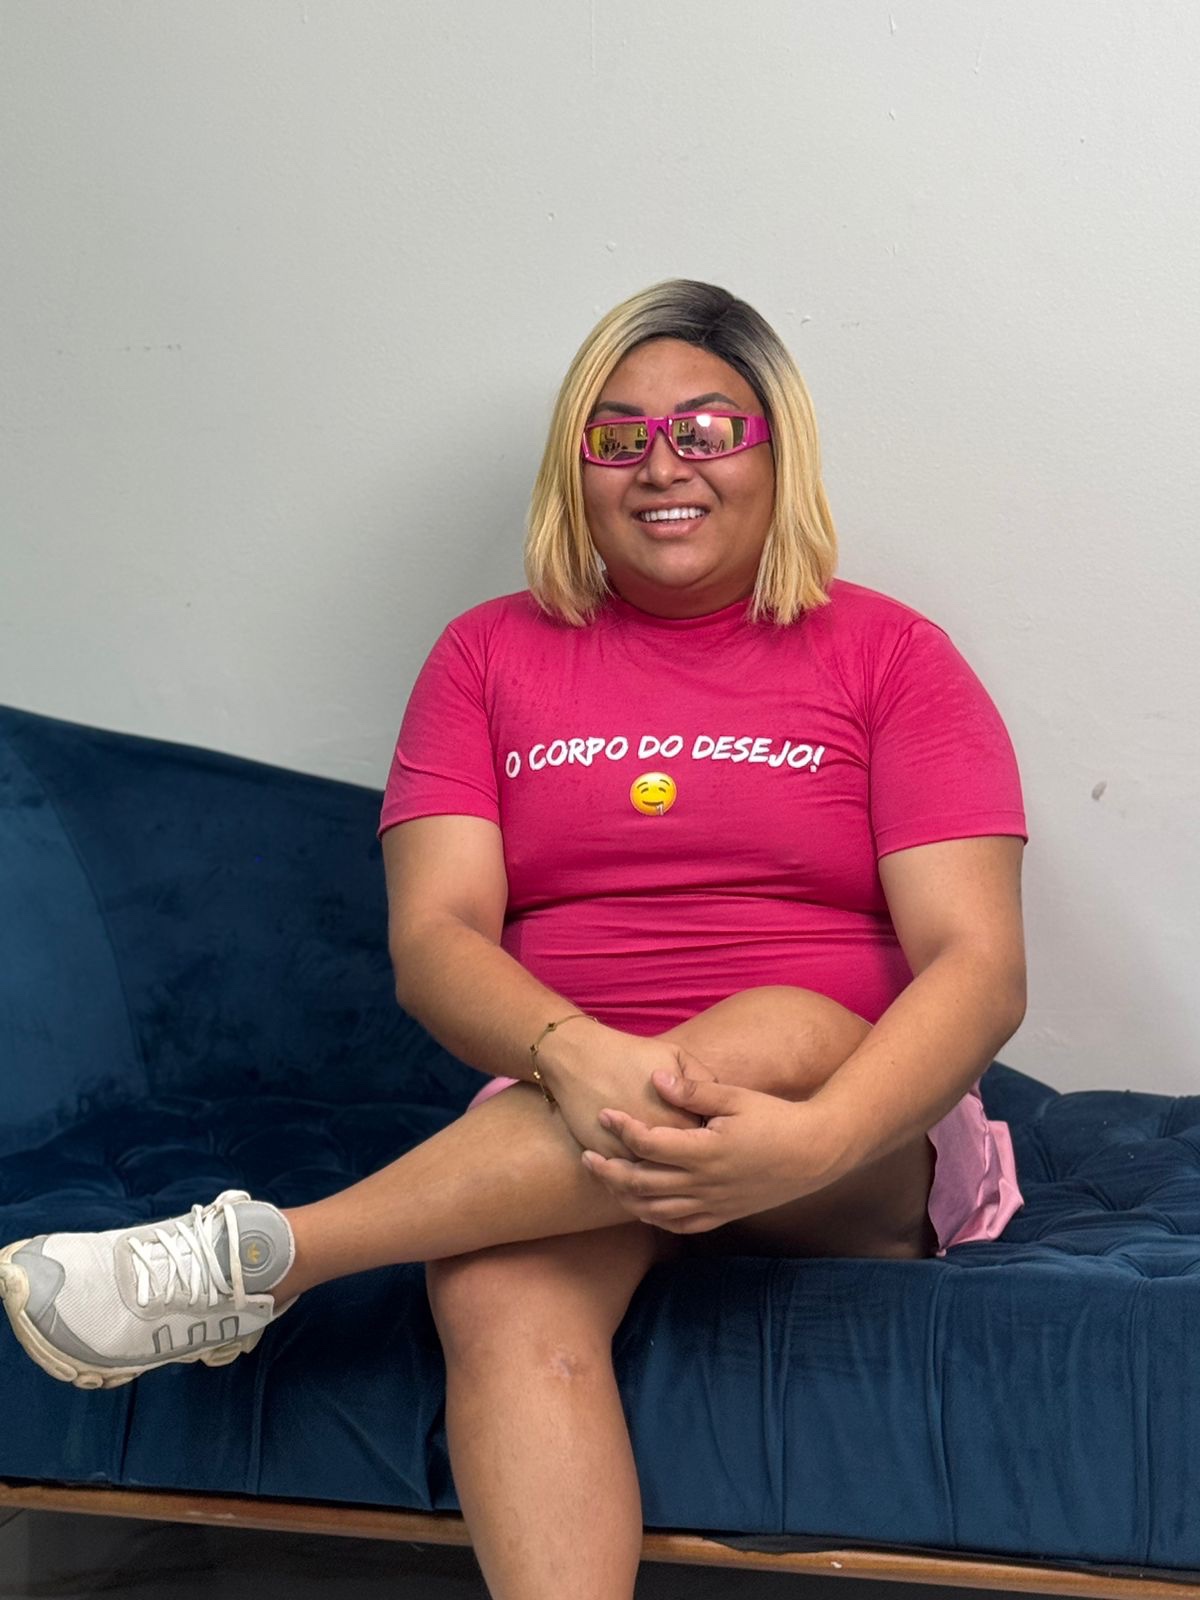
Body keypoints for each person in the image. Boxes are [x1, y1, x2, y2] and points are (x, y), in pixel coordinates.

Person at [0, 279, 1029, 1600]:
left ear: (777, 450)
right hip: (567, 1114)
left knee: (775, 1024)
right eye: (618, 435)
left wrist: (817, 1140)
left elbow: (978, 967)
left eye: (708, 429)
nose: (663, 466)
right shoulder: (486, 658)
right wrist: (572, 1052)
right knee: (493, 1295)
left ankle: (273, 1256)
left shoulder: (893, 658)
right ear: (575, 467)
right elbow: (435, 937)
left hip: (852, 1133)